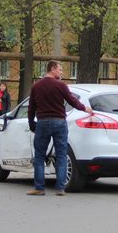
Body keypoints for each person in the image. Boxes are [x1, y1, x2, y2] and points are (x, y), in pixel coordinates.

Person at [26, 60, 93, 196]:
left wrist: (31, 123)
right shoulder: (61, 86)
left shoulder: (36, 87)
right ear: (52, 69)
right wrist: (85, 108)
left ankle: (39, 188)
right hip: (59, 123)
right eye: (60, 70)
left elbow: (31, 108)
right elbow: (72, 101)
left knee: (39, 155)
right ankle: (60, 188)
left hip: (43, 122)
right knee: (61, 154)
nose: (61, 73)